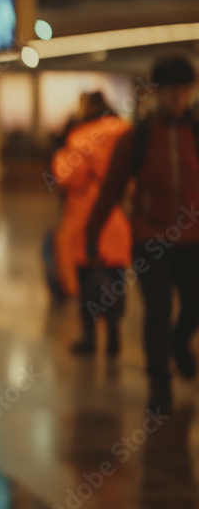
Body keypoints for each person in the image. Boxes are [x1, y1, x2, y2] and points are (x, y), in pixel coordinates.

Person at [86, 55, 199, 412]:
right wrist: (92, 234)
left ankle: (180, 344)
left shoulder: (196, 133)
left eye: (184, 92)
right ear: (157, 93)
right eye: (170, 93)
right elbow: (110, 190)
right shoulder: (137, 138)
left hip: (193, 240)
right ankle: (159, 383)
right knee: (158, 311)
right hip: (150, 240)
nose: (178, 100)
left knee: (194, 307)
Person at [51, 91, 132, 356]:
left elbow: (68, 176)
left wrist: (59, 155)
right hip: (119, 215)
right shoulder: (125, 131)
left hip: (87, 214)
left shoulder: (81, 137)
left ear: (88, 107)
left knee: (88, 278)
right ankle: (114, 333)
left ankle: (89, 337)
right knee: (116, 278)